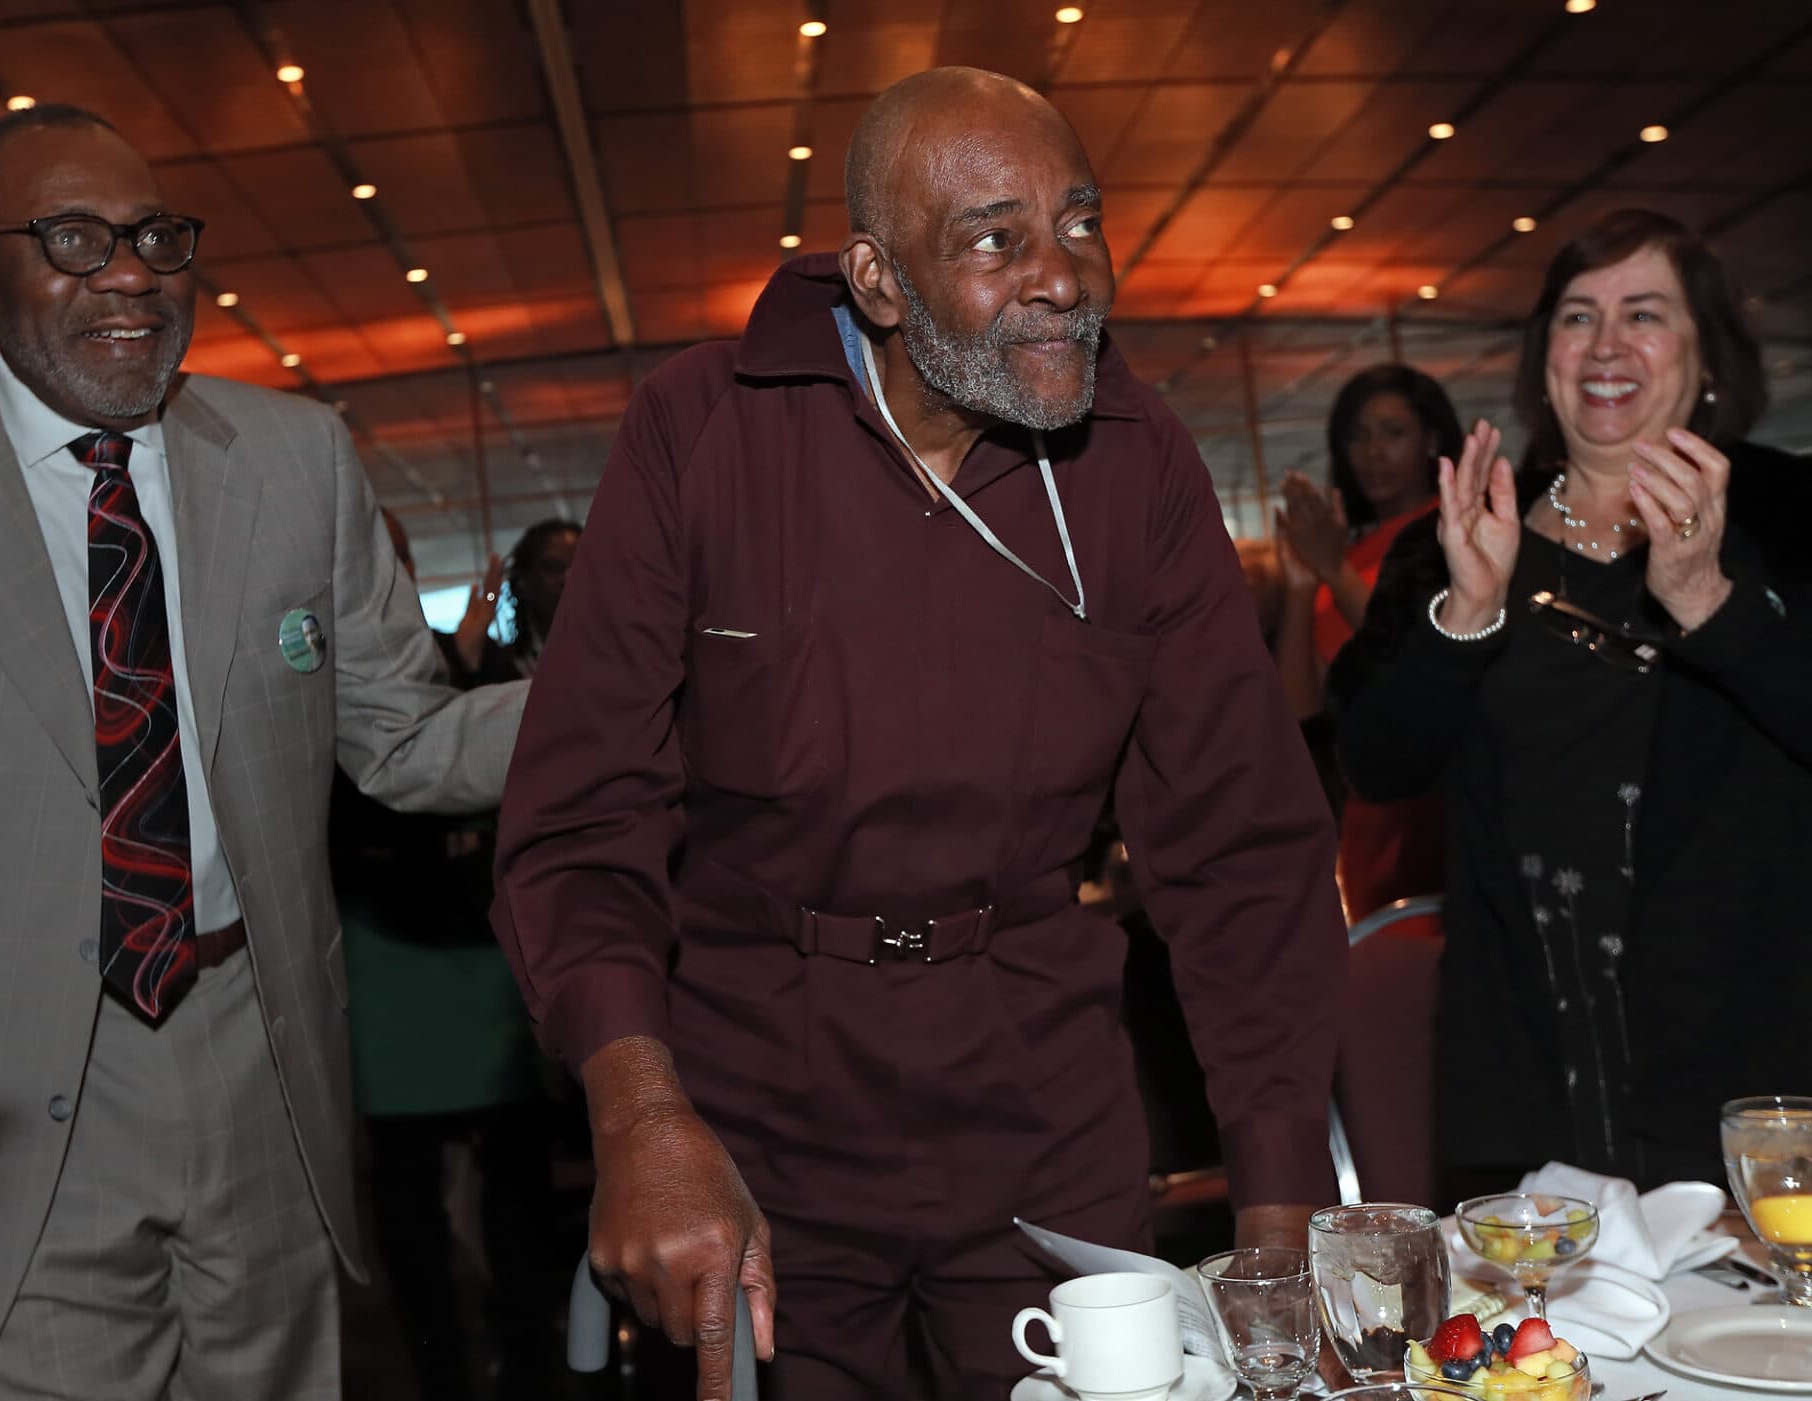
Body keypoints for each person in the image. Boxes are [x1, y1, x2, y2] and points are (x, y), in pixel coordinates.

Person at [493, 67, 1345, 1400]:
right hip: (753, 1099)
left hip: (1042, 1091)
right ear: (880, 284)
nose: (1067, 275)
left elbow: (1241, 845)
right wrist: (640, 1112)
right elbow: (587, 814)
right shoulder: (703, 432)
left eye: (1080, 220)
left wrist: (1281, 1219)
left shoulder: (1136, 454)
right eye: (996, 237)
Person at [0, 105, 527, 1401]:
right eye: (71, 239)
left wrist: (655, 695)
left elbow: (406, 737)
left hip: (258, 1066)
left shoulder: (292, 460)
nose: (129, 273)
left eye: (154, 238)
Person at [1330, 208, 1811, 1189]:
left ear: (1704, 352)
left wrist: (1711, 606)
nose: (1605, 346)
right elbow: (1377, 758)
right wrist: (1467, 608)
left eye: (1645, 314)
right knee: (1529, 1347)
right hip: (1521, 1063)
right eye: (1577, 316)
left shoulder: (1791, 517)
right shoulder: (1457, 533)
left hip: (1752, 1069)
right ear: (1545, 353)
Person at [332, 510, 559, 1401]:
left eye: (390, 554)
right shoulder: (310, 663)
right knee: (405, 1190)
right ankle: (438, 1368)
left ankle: (533, 1360)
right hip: (383, 953)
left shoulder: (458, 652)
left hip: (479, 950)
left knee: (514, 1176)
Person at [1275, 365, 1463, 919]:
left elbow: (1419, 655)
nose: (1373, 452)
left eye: (1393, 432)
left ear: (1431, 439)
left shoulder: (1454, 533)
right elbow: (1298, 709)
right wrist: (1300, 585)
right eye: (1358, 435)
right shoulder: (1348, 556)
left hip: (1438, 806)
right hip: (1367, 819)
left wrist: (1332, 567)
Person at [451, 517, 583, 683]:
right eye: (552, 567)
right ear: (523, 580)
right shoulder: (501, 669)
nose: (569, 578)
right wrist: (464, 659)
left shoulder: (618, 651)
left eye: (582, 566)